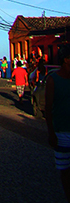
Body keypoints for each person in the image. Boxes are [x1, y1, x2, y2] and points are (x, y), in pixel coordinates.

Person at [45, 45, 70, 202]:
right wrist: (51, 133)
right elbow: (48, 108)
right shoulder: (53, 80)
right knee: (65, 171)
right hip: (61, 133)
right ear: (66, 60)